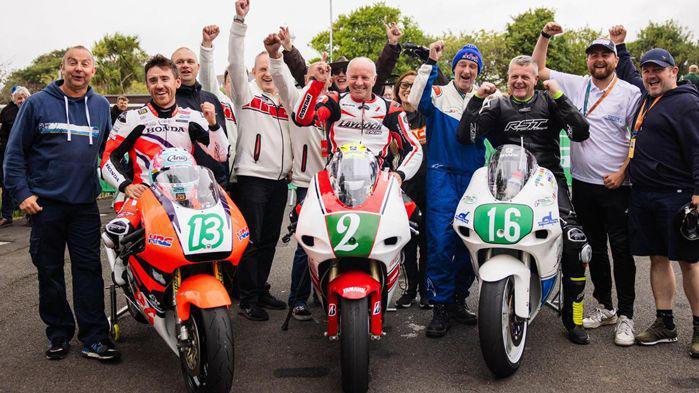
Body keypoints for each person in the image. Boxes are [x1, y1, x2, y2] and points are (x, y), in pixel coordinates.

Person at [457, 55, 592, 345]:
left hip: (548, 179)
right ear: (508, 79)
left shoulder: (550, 101)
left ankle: (574, 315)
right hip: (504, 180)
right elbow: (466, 137)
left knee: (575, 242)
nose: (519, 81)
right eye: (514, 76)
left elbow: (580, 131)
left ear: (534, 79)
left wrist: (559, 95)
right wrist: (477, 100)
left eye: (525, 77)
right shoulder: (498, 105)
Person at [3, 46, 120, 361]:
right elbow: (14, 153)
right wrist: (22, 194)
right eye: (72, 63)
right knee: (49, 271)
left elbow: (112, 152)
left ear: (93, 71)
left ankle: (95, 338)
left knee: (88, 271)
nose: (78, 68)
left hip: (84, 206)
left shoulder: (99, 106)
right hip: (45, 206)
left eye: (85, 63)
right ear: (62, 68)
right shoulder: (37, 104)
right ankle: (58, 333)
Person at [532, 22, 642, 346]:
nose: (599, 59)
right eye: (594, 54)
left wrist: (624, 171)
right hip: (582, 184)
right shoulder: (578, 85)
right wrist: (545, 36)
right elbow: (539, 70)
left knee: (621, 251)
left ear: (614, 59)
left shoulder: (629, 93)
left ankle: (627, 315)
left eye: (605, 54)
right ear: (588, 61)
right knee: (593, 250)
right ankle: (606, 306)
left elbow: (638, 136)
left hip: (616, 185)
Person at [611, 25, 699, 357]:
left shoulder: (686, 103)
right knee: (657, 258)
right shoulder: (648, 99)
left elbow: (697, 148)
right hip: (644, 193)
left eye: (657, 70)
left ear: (673, 72)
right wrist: (620, 46)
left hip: (677, 195)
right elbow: (629, 71)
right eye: (647, 71)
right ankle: (665, 324)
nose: (650, 75)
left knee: (690, 262)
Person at [406, 41, 493, 338]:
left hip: (473, 177)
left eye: (473, 66)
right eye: (462, 65)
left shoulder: (487, 98)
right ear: (454, 68)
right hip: (441, 175)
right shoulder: (439, 93)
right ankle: (440, 305)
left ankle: (458, 298)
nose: (467, 70)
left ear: (477, 71)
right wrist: (430, 62)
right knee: (441, 242)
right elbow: (415, 100)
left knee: (470, 241)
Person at [227, 0, 293, 321]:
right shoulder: (246, 94)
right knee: (251, 241)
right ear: (253, 73)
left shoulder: (285, 100)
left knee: (268, 239)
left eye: (271, 69)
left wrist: (282, 55)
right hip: (251, 178)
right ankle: (247, 296)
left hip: (280, 181)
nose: (267, 74)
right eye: (261, 70)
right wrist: (239, 22)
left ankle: (259, 287)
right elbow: (235, 62)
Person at [101, 54, 229, 206]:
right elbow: (108, 158)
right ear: (147, 85)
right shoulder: (131, 119)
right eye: (153, 80)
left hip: (184, 200)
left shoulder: (194, 118)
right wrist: (126, 185)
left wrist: (213, 125)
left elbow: (221, 155)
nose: (159, 85)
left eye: (165, 79)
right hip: (143, 200)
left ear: (177, 82)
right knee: (118, 229)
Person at [266, 31, 328, 321]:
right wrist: (280, 53)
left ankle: (327, 293)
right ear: (305, 77)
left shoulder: (338, 104)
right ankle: (298, 299)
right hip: (306, 185)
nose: (323, 74)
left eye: (326, 71)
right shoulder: (296, 98)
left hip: (336, 187)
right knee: (308, 244)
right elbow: (279, 73)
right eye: (317, 70)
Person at [293, 55, 423, 182]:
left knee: (410, 205)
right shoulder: (334, 100)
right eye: (354, 77)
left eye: (365, 77)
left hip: (378, 181)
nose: (359, 83)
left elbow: (413, 147)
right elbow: (301, 118)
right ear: (348, 78)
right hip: (336, 179)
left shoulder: (391, 108)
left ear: (374, 79)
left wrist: (400, 174)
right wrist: (315, 83)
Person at [391, 71, 431, 310]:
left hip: (429, 187)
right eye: (404, 85)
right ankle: (410, 290)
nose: (408, 88)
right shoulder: (393, 117)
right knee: (407, 243)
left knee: (427, 242)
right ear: (397, 89)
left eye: (414, 85)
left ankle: (426, 291)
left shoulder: (427, 115)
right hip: (404, 188)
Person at [280, 22, 404, 95]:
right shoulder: (322, 92)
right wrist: (289, 48)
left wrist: (392, 44)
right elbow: (303, 72)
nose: (341, 74)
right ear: (330, 77)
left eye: (345, 71)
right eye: (336, 71)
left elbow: (380, 71)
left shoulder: (362, 92)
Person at [171, 45, 230, 187]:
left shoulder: (211, 99)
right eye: (179, 62)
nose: (185, 65)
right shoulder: (165, 102)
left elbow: (222, 142)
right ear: (171, 69)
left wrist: (225, 182)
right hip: (178, 183)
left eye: (190, 61)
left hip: (214, 183)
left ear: (197, 67)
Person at [199, 24, 239, 184]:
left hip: (248, 178)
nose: (235, 85)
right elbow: (207, 78)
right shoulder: (220, 99)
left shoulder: (253, 104)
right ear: (224, 83)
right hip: (223, 175)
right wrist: (207, 47)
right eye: (231, 81)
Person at [0, 86, 30, 228]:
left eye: (24, 97)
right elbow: (3, 135)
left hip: (30, 154)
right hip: (11, 154)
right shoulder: (6, 111)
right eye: (19, 98)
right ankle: (7, 215)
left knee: (30, 183)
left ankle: (30, 215)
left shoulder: (33, 109)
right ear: (14, 99)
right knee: (8, 184)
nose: (22, 100)